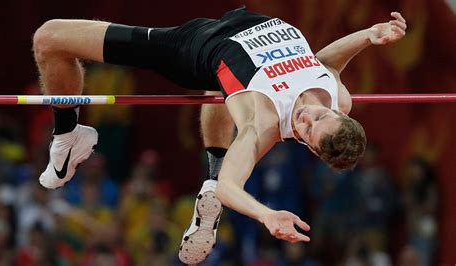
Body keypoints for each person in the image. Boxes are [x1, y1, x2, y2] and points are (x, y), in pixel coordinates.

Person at [32, 7, 406, 264]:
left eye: (306, 129)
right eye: (319, 115)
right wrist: (367, 36)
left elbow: (233, 184)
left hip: (192, 48)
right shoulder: (338, 98)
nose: (307, 115)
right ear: (338, 113)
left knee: (49, 38)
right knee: (220, 93)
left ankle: (67, 136)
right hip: (238, 27)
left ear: (306, 145)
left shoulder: (262, 122)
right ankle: (206, 187)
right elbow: (322, 63)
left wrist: (266, 215)